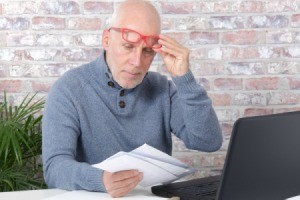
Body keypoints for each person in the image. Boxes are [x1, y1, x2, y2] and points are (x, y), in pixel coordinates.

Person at [42, 0, 223, 198]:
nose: (137, 62)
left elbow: (208, 142)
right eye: (128, 46)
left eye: (147, 51)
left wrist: (184, 79)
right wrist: (100, 179)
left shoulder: (163, 88)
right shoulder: (69, 89)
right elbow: (54, 167)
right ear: (107, 40)